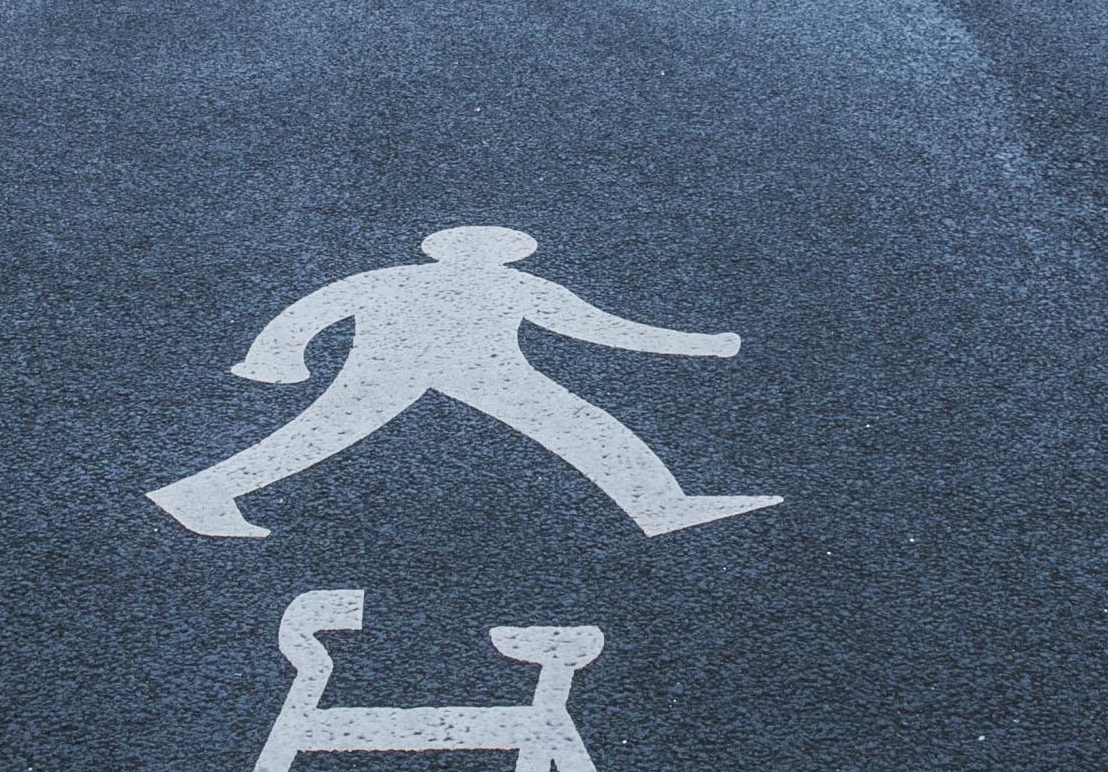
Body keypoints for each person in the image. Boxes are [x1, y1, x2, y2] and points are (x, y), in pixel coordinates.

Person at [147, 227, 781, 540]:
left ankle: (661, 505)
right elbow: (314, 311)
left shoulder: (498, 285)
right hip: (401, 368)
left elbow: (596, 326)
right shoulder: (472, 282)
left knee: (586, 427)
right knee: (318, 435)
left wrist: (698, 344)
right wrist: (275, 357)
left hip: (482, 370)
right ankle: (199, 493)